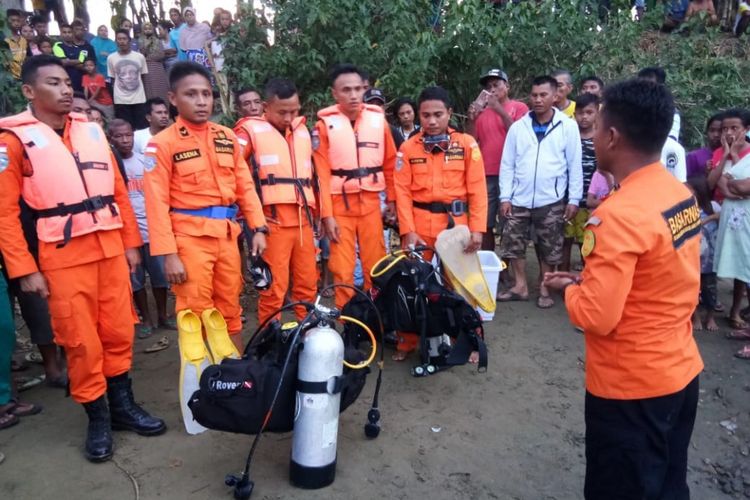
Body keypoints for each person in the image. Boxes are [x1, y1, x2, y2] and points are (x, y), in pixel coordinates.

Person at [543, 78, 703, 499]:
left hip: (631, 390)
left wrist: (570, 292)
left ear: (612, 137)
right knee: (669, 483)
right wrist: (587, 282)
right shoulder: (678, 194)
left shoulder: (617, 216)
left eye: (595, 128)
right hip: (681, 372)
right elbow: (658, 276)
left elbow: (597, 317)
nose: (591, 136)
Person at [0, 55, 166, 462]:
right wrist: (24, 269)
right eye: (53, 83)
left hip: (109, 249)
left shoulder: (92, 131)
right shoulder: (13, 140)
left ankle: (123, 407)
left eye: (66, 82)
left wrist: (130, 244)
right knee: (81, 340)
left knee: (118, 331)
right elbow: (3, 213)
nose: (65, 88)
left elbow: (120, 192)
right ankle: (98, 417)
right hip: (61, 254)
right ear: (28, 92)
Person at [143, 62, 267, 352]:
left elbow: (244, 186)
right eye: (192, 94)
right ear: (173, 98)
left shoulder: (225, 136)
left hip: (226, 236)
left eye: (207, 94)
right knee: (196, 313)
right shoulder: (161, 144)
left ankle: (232, 373)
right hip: (189, 241)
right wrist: (168, 256)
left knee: (230, 310)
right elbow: (156, 202)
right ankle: (202, 383)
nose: (201, 101)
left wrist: (258, 227)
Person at [394, 86, 487, 360]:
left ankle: (468, 339)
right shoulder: (408, 148)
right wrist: (408, 231)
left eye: (438, 114)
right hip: (419, 225)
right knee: (412, 283)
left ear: (449, 113)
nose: (431, 121)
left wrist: (478, 230)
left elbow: (478, 190)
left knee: (460, 285)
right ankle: (408, 340)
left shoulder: (467, 144)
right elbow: (401, 192)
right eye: (425, 115)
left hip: (455, 226)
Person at [313, 64, 397, 310]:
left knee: (376, 265)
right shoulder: (323, 126)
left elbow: (391, 163)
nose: (353, 95)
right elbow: (321, 174)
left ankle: (377, 320)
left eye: (357, 89)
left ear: (365, 89)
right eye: (346, 90)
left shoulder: (378, 121)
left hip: (371, 202)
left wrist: (391, 200)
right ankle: (348, 326)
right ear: (334, 93)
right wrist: (326, 216)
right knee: (343, 269)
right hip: (339, 205)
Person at [234, 78, 318, 324]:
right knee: (273, 290)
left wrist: (321, 215)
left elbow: (316, 177)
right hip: (272, 223)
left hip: (304, 221)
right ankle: (270, 343)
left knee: (307, 285)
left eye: (295, 111)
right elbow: (234, 174)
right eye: (283, 112)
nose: (290, 117)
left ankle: (308, 334)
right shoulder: (247, 132)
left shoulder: (302, 131)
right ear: (265, 106)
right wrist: (255, 224)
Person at [497, 75, 583, 308]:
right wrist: (505, 196)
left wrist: (574, 198)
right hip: (519, 197)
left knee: (550, 246)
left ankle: (545, 286)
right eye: (534, 95)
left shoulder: (568, 126)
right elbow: (507, 164)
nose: (538, 100)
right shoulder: (519, 127)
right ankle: (520, 285)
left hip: (551, 198)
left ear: (555, 96)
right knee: (513, 242)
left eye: (543, 95)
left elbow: (574, 164)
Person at [107, 119, 173, 338]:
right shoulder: (111, 167)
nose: (125, 140)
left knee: (160, 277)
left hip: (151, 230)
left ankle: (163, 315)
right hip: (127, 236)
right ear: (111, 138)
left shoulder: (145, 162)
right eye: (119, 136)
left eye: (128, 135)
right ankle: (146, 319)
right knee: (136, 281)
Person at [466, 68, 528, 252]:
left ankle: (508, 269)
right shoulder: (481, 113)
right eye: (489, 86)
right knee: (485, 223)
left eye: (496, 85)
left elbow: (520, 136)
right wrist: (471, 119)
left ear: (507, 87)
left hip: (512, 175)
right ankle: (489, 264)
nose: (492, 89)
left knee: (510, 224)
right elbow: (470, 141)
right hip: (486, 174)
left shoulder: (519, 107)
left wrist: (498, 109)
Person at [712, 108, 750, 331]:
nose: (728, 133)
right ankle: (730, 308)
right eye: (725, 128)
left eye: (734, 128)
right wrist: (737, 189)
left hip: (746, 216)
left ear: (746, 130)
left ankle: (739, 310)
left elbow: (740, 185)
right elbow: (722, 187)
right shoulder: (719, 154)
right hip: (731, 214)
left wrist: (733, 158)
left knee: (746, 262)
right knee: (733, 261)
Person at [563, 93, 599, 271]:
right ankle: (562, 279)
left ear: (597, 113)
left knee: (587, 242)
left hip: (592, 200)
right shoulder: (569, 135)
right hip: (569, 198)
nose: (584, 117)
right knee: (565, 240)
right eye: (580, 113)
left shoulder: (601, 139)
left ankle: (588, 279)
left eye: (589, 112)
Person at [687, 176, 720, 332]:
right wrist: (711, 218)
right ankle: (696, 316)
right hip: (693, 258)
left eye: (690, 189)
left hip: (711, 258)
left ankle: (710, 316)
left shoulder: (713, 207)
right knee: (693, 288)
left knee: (710, 288)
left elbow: (722, 219)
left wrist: (713, 216)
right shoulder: (687, 209)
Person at [108, 29, 148, 130]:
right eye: (119, 39)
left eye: (124, 39)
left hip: (139, 98)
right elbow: (113, 79)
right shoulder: (111, 58)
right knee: (125, 129)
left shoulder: (140, 57)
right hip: (121, 100)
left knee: (141, 128)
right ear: (116, 41)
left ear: (129, 41)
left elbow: (143, 77)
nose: (122, 41)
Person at [638, 67, 680, 140]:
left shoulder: (671, 112)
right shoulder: (630, 107)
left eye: (649, 78)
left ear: (660, 85)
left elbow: (671, 140)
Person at [138, 22, 169, 104]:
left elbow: (161, 54)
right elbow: (141, 55)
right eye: (146, 29)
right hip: (146, 70)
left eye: (149, 28)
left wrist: (147, 58)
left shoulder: (158, 41)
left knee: (161, 91)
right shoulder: (140, 41)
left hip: (158, 69)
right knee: (150, 92)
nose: (148, 30)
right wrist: (146, 45)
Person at [52, 24, 88, 92]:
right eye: (64, 32)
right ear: (61, 34)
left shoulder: (79, 49)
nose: (67, 34)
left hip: (80, 84)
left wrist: (70, 61)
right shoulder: (58, 46)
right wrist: (79, 61)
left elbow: (83, 65)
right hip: (65, 84)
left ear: (72, 34)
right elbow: (64, 62)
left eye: (69, 32)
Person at [687, 113, 723, 179]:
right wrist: (704, 172)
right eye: (712, 130)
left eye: (720, 131)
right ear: (707, 132)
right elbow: (686, 183)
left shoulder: (731, 156)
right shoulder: (693, 157)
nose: (716, 135)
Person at [5, 9, 28, 80]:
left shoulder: (24, 40)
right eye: (13, 20)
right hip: (9, 78)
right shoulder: (4, 39)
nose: (16, 23)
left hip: (23, 76)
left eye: (18, 21)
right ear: (7, 21)